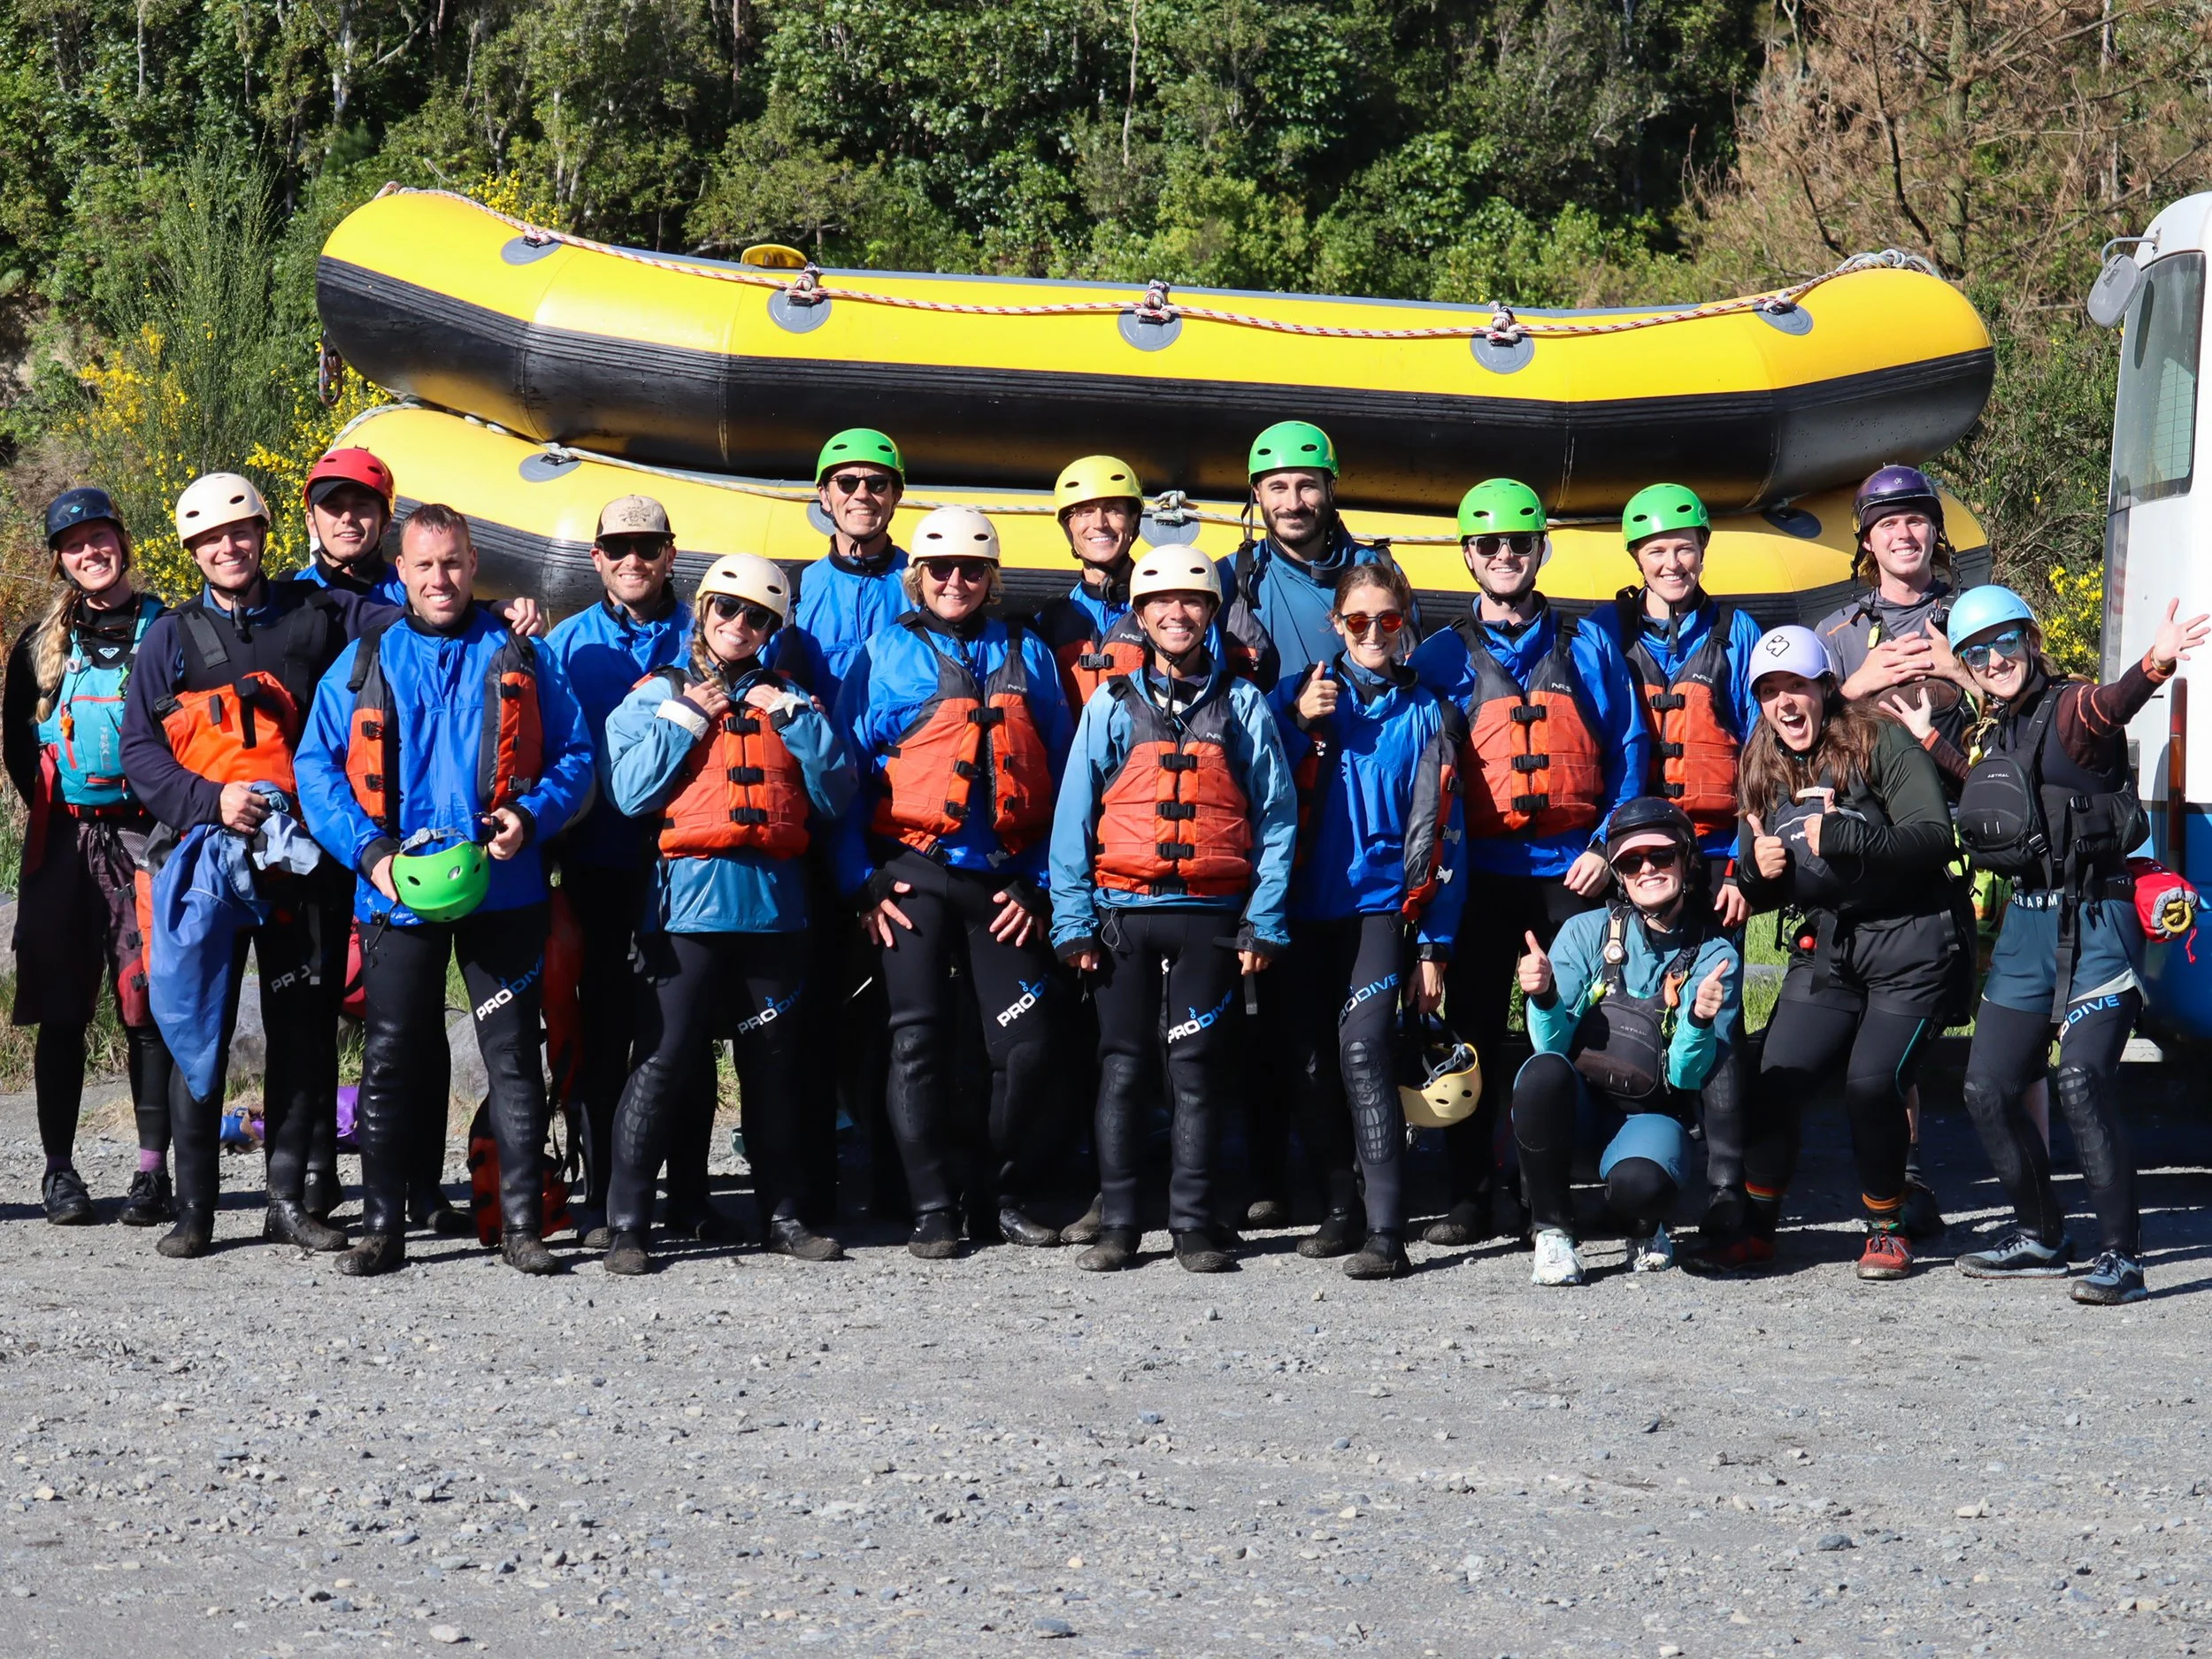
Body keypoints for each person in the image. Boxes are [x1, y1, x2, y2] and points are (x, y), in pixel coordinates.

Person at [293, 503, 595, 1277]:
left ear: (474, 564)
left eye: (454, 563)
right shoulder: (365, 659)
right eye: (425, 565)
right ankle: (383, 1227)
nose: (440, 578)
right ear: (401, 572)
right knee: (391, 1059)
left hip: (504, 885)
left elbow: (575, 757)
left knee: (512, 1059)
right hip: (396, 889)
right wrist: (368, 853)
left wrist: (531, 815)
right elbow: (316, 766)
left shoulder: (521, 651)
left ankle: (522, 1226)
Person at [119, 472, 394, 1259]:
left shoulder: (320, 613)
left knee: (303, 1028)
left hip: (298, 862)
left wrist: (498, 612)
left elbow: (417, 618)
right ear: (192, 550)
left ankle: (285, 1200)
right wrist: (210, 800)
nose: (228, 547)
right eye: (210, 539)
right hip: (203, 860)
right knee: (191, 1028)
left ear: (266, 535)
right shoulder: (169, 638)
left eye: (240, 533)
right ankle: (196, 1208)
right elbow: (140, 749)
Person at [1940, 585, 2208, 1305]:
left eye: (2003, 642)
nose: (1993, 659)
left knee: (2082, 1080)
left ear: (2030, 639)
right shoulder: (1997, 731)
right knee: (1987, 1086)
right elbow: (2008, 801)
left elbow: (2109, 706)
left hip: (2099, 923)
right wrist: (1932, 741)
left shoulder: (2071, 706)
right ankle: (2041, 1234)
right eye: (1976, 652)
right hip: (2028, 930)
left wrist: (2154, 664)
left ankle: (2121, 1256)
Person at [598, 553, 856, 1273]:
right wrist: (685, 719)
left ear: (772, 627)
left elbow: (837, 798)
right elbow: (628, 791)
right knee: (661, 1063)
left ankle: (782, 1215)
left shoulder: (793, 697)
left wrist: (800, 725)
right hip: (686, 911)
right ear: (705, 612)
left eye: (757, 617)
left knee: (774, 1071)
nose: (740, 625)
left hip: (774, 914)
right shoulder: (655, 695)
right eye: (728, 610)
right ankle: (626, 1225)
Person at [1686, 625, 1969, 1279]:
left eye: (1797, 686)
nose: (1785, 702)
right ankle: (1755, 1230)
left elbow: (1934, 837)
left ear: (1825, 688)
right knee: (1775, 1078)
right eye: (1769, 691)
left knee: (1872, 1085)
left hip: (1912, 938)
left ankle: (1886, 1226)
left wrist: (1850, 835)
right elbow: (1762, 880)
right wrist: (1753, 871)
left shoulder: (1878, 739)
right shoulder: (1762, 760)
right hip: (1828, 944)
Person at [1409, 477, 1648, 1247]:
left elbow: (1629, 752)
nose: (1505, 554)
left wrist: (1606, 846)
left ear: (1541, 548)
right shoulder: (1440, 656)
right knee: (1470, 1031)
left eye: (1519, 541)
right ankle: (1470, 1194)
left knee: (1590, 1028)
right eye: (1489, 544)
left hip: (1570, 870)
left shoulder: (1588, 644)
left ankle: (1594, 1179)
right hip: (1479, 878)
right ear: (1468, 556)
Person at [1049, 549, 1297, 1273]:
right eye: (1161, 603)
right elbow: (1073, 820)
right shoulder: (1110, 704)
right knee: (1123, 1067)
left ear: (1212, 614)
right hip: (1123, 912)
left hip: (1211, 917)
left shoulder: (1243, 703)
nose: (1177, 614)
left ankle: (1193, 1221)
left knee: (1195, 1068)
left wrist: (1266, 916)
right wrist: (1072, 921)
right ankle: (1119, 1220)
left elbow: (1277, 817)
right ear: (1141, 614)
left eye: (1193, 602)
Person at [837, 504, 1073, 1258]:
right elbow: (839, 779)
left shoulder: (1029, 654)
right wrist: (861, 881)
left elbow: (1068, 783)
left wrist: (1040, 883)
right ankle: (933, 1205)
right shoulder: (879, 654)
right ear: (919, 576)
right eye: (940, 568)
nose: (955, 581)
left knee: (1029, 1045)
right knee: (917, 1042)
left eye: (972, 569)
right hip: (912, 874)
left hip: (1006, 878)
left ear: (992, 578)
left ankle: (1000, 1193)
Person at [1271, 561, 1466, 1279]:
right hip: (1299, 909)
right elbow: (1254, 790)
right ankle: (1338, 1206)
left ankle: (1388, 1232)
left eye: (1388, 619)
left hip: (1382, 909)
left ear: (1405, 621)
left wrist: (1435, 943)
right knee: (1312, 1061)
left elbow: (1449, 835)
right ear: (1337, 624)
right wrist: (1298, 723)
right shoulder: (1297, 700)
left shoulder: (1429, 712)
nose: (1374, 632)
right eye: (1359, 620)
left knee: (1363, 1051)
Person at [1583, 483, 1765, 1242]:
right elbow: (1593, 743)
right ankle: (1640, 1141)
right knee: (1628, 995)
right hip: (1638, 855)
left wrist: (1748, 864)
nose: (1672, 561)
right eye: (1656, 550)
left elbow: (1760, 747)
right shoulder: (1606, 632)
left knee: (1717, 1002)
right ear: (1637, 558)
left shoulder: (1737, 629)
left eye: (1684, 546)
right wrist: (1601, 845)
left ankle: (1727, 1177)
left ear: (1703, 551)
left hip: (1716, 849)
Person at [1221, 419, 1393, 1226]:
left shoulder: (1374, 580)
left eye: (1306, 484)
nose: (1294, 500)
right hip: (1263, 828)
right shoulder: (1231, 581)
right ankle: (1266, 1170)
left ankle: (1357, 1181)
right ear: (1256, 497)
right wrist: (1291, 715)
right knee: (1270, 1020)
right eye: (1277, 487)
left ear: (1331, 489)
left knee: (1348, 1025)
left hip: (1356, 832)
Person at [1814, 464, 1980, 1233]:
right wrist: (1849, 689)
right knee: (1890, 1027)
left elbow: (2022, 712)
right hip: (1873, 854)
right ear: (1868, 542)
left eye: (1917, 520)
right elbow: (1798, 735)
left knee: (2019, 1019)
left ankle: (2041, 1178)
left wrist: (1958, 672)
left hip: (1974, 844)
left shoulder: (1973, 616)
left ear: (1935, 532)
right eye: (1888, 525)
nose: (1905, 534)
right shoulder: (1838, 637)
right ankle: (1903, 1181)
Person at [3, 488, 174, 1226]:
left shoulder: (171, 629)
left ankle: (151, 1170)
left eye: (100, 537)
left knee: (148, 1005)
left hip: (147, 838)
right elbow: (16, 747)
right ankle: (59, 1170)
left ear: (123, 541)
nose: (90, 552)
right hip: (63, 842)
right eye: (74, 545)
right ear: (61, 560)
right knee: (63, 1013)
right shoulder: (35, 642)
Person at [540, 495, 703, 1245]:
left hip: (689, 865)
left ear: (671, 553)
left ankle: (690, 1194)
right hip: (598, 861)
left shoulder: (709, 629)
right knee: (602, 1032)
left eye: (648, 546)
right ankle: (602, 1196)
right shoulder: (565, 644)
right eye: (618, 546)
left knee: (683, 1031)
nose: (633, 559)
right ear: (596, 557)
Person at [1510, 797, 1739, 1286]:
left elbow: (1686, 1076)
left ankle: (1641, 1223)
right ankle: (1552, 1231)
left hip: (1652, 1112)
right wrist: (1545, 994)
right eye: (1631, 862)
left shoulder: (1715, 955)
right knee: (1540, 1074)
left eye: (1661, 856)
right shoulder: (1584, 931)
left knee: (1641, 1188)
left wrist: (1698, 1020)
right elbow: (1550, 1045)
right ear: (1618, 873)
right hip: (1580, 1109)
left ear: (1686, 862)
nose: (1648, 869)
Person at [792, 428, 912, 1220]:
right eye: (847, 483)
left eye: (876, 483)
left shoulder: (928, 576)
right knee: (810, 1010)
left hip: (903, 821)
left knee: (899, 1016)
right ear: (825, 496)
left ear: (896, 495)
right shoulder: (798, 590)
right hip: (809, 825)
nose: (862, 495)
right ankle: (809, 1175)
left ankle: (898, 1172)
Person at [300, 447, 546, 639]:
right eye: (334, 507)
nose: (347, 518)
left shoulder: (414, 584)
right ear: (311, 522)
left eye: (361, 506)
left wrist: (499, 612)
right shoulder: (289, 593)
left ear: (386, 522)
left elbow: (447, 612)